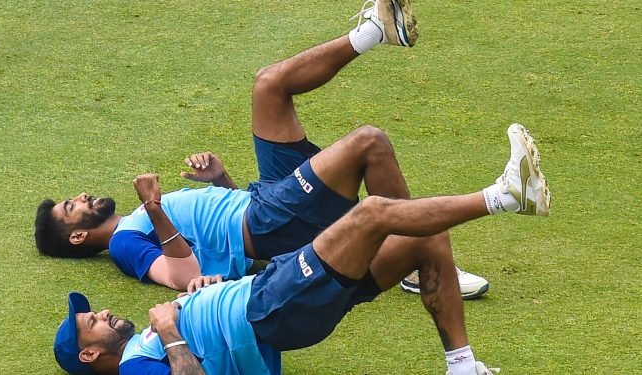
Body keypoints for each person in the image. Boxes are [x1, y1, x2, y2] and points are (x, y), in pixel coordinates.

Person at [35, 0, 490, 298]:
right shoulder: (123, 245)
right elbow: (181, 275)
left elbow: (220, 240)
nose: (80, 198)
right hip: (268, 218)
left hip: (259, 201)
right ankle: (415, 256)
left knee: (269, 85)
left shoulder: (133, 229)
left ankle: (374, 31)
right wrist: (154, 207)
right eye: (70, 209)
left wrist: (220, 182)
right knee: (370, 143)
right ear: (77, 236)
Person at [53, 121, 551, 374]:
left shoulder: (145, 349)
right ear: (92, 355)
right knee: (375, 212)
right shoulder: (138, 365)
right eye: (91, 322)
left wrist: (206, 290)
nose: (104, 312)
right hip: (270, 305)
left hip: (268, 292)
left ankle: (461, 365)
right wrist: (170, 329)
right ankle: (504, 196)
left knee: (420, 235)